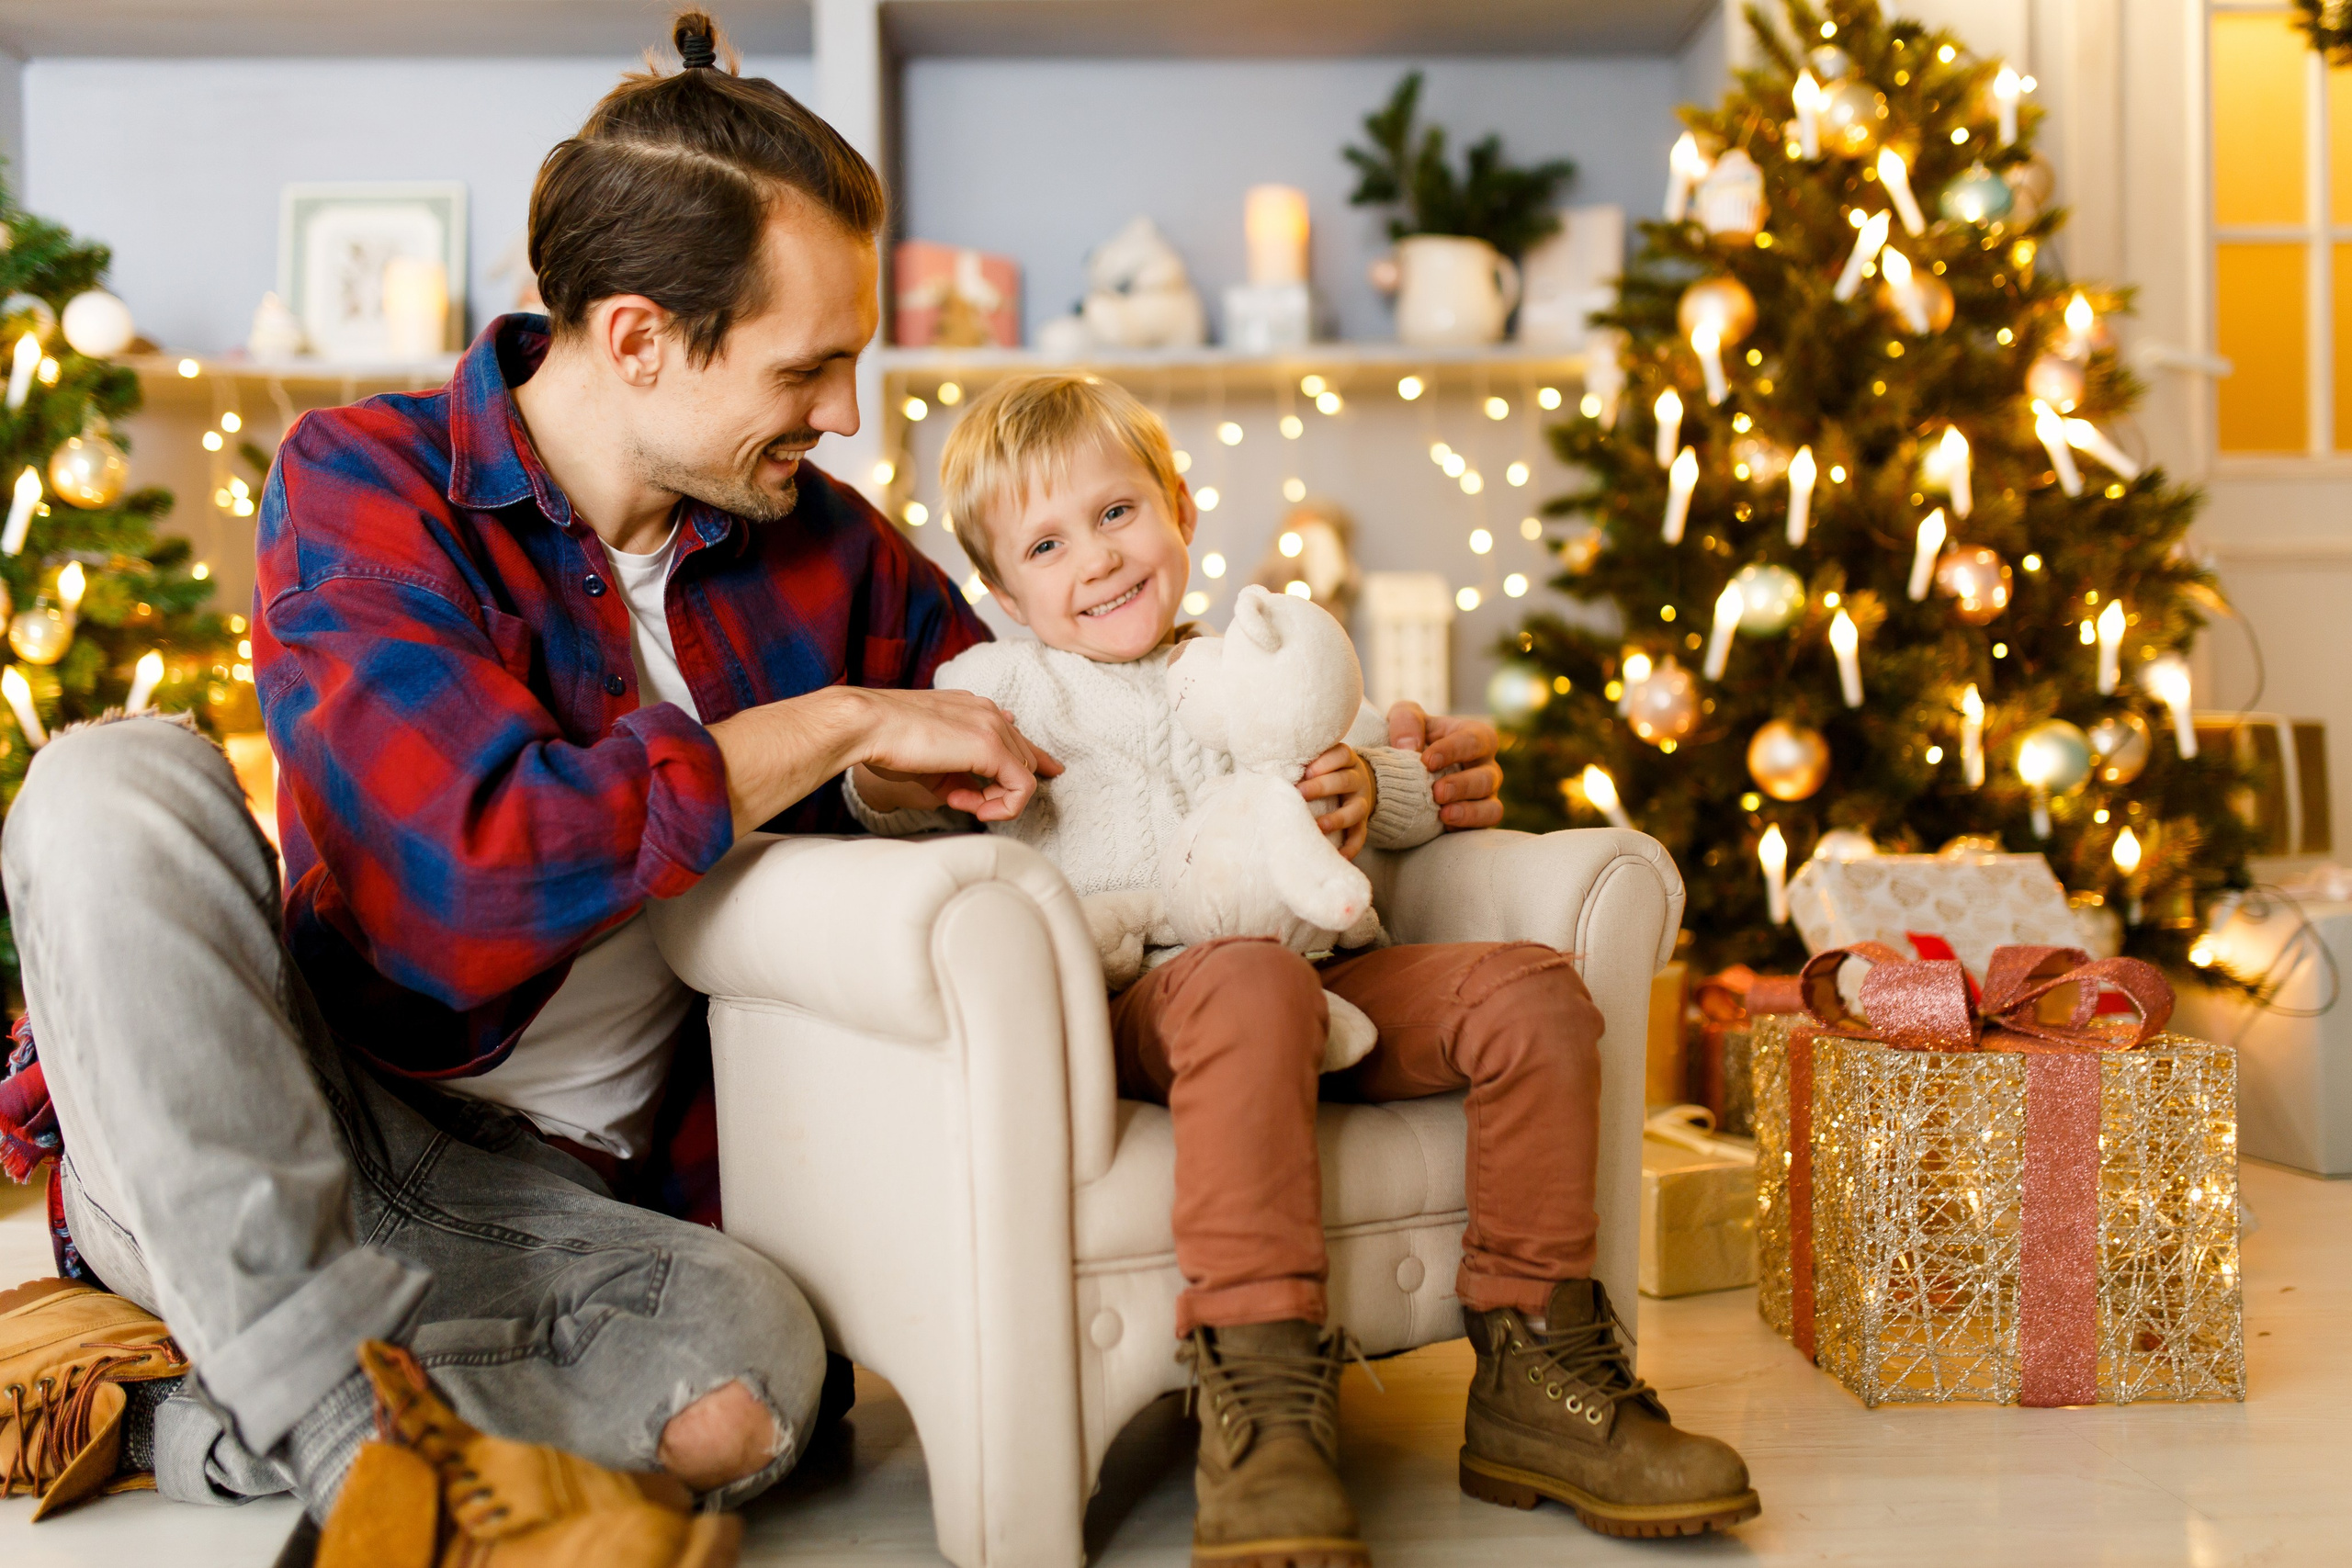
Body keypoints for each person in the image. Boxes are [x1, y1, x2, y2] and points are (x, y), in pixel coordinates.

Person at [0, 13, 1078, 1562]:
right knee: (108, 782)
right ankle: (339, 1438)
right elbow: (463, 884)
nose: (845, 414)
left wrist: (1336, 767)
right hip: (279, 1101)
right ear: (640, 337)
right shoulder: (364, 481)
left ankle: (186, 1411)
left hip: (543, 1205)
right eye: (811, 365)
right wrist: (829, 732)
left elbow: (1035, 720)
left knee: (757, 1393)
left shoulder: (828, 550)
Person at [848, 373, 1759, 1565]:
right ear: (1004, 588)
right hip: (1145, 995)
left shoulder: (1262, 657)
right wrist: (904, 778)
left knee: (1534, 991)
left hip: (1332, 978)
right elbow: (893, 793)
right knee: (1246, 980)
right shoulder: (1004, 686)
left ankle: (1543, 1369)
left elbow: (1404, 789)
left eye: (1120, 513)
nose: (1101, 560)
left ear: (1178, 505)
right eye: (1050, 543)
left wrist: (1369, 787)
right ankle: (1265, 1404)